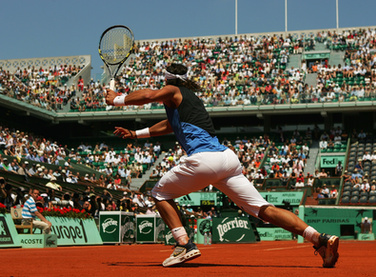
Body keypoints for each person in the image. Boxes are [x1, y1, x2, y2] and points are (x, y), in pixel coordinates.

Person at [106, 63, 339, 268]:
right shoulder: (188, 100)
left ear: (167, 79)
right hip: (227, 159)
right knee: (263, 210)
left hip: (205, 159)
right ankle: (318, 239)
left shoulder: (173, 89)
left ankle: (184, 244)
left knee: (159, 193)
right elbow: (169, 125)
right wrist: (136, 134)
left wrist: (117, 99)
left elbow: (149, 96)